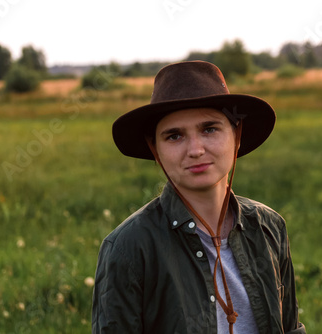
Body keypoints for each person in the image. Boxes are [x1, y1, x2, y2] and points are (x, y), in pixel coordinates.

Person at [92, 61, 306, 334]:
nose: (195, 150)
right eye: (174, 136)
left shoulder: (269, 227)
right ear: (154, 149)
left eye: (209, 129)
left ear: (236, 135)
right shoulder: (128, 248)